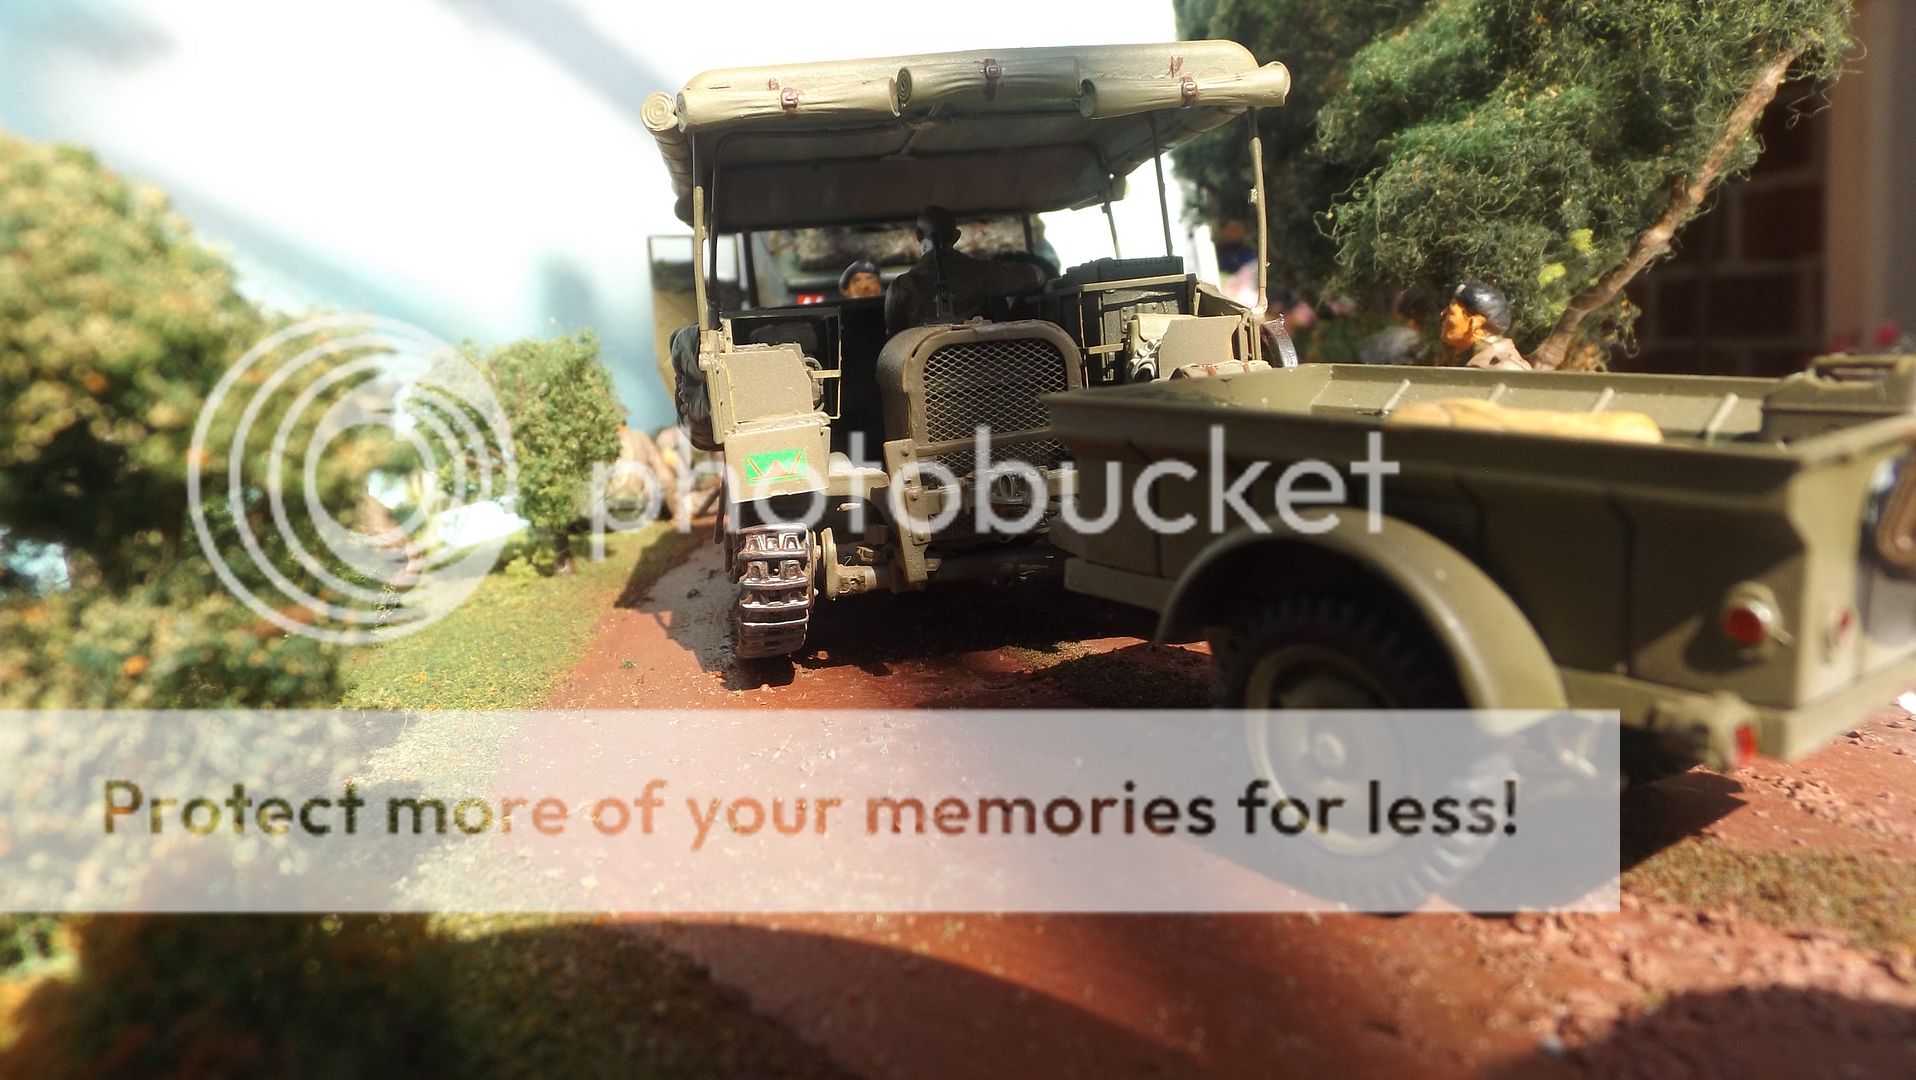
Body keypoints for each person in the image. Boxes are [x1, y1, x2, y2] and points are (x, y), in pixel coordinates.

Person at [884, 206, 1044, 335]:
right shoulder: (983, 273)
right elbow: (1035, 276)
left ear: (919, 235)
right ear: (956, 236)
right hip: (981, 361)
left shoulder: (901, 287)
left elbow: (894, 339)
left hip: (920, 365)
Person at [1442, 282, 1531, 370]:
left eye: (1451, 312)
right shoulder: (1463, 360)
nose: (1442, 314)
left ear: (1476, 323)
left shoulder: (1505, 368)